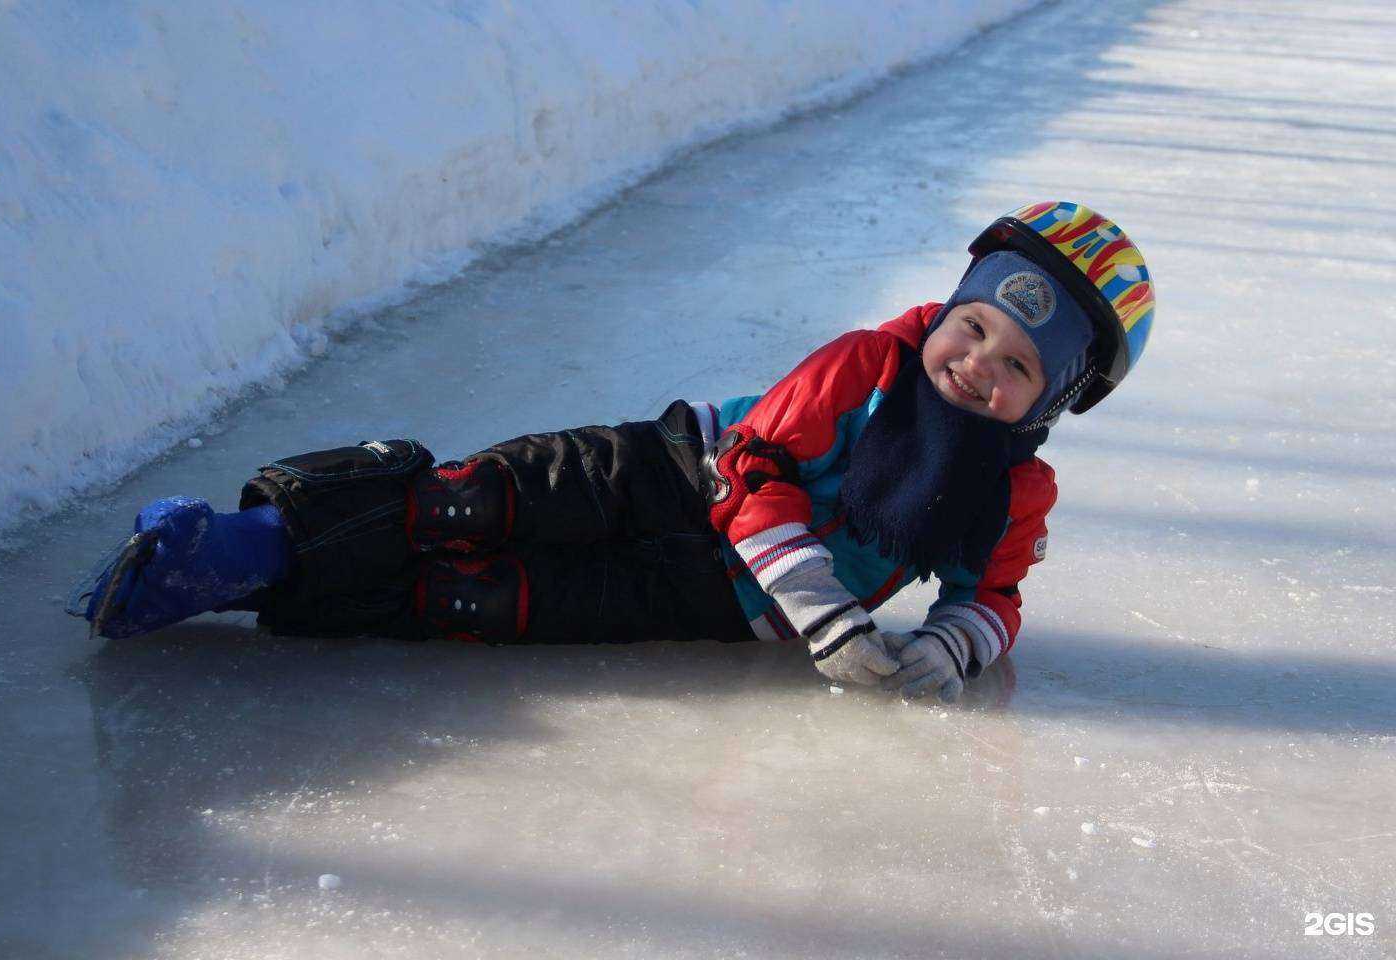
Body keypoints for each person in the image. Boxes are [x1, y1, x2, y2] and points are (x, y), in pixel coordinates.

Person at [70, 201, 1155, 703]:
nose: (972, 364)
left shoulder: (1012, 487)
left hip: (713, 603)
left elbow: (994, 595)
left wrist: (946, 648)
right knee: (472, 504)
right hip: (671, 469)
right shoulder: (873, 361)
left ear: (1050, 400)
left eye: (1014, 364)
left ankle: (274, 597)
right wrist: (828, 612)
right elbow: (757, 469)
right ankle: (249, 545)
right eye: (972, 327)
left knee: (489, 603)